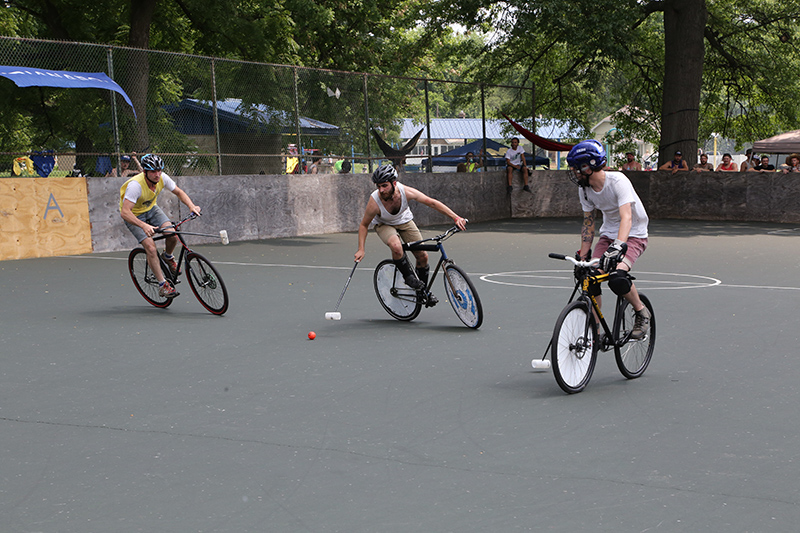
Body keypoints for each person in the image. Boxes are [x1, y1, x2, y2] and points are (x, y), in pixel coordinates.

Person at [566, 139, 651, 340]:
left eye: (577, 169)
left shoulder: (618, 181)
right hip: (608, 235)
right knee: (590, 277)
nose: (575, 173)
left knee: (617, 277)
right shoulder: (584, 189)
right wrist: (583, 255)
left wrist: (618, 247)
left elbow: (627, 218)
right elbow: (588, 222)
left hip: (633, 235)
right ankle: (594, 331)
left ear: (589, 166)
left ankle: (641, 312)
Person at [355, 164, 467, 305]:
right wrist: (361, 248)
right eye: (378, 187)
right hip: (384, 224)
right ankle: (408, 277)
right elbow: (364, 225)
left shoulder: (406, 192)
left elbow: (432, 202)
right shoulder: (374, 202)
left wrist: (456, 217)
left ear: (394, 183)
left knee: (423, 256)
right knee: (396, 246)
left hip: (405, 221)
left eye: (384, 186)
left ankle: (422, 292)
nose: (381, 190)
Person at [119, 154, 202, 298]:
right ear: (145, 172)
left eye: (159, 170)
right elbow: (125, 212)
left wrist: (191, 206)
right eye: (153, 171)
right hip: (134, 215)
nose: (157, 174)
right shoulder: (135, 186)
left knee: (172, 234)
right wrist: (143, 225)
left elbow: (178, 192)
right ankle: (163, 285)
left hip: (151, 209)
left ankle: (168, 257)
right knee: (151, 248)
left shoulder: (162, 177)